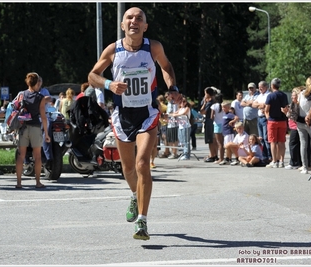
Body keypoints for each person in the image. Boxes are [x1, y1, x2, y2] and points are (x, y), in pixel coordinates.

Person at [87, 6, 178, 241]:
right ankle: (135, 195)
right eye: (129, 17)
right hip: (122, 115)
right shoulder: (113, 50)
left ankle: (142, 221)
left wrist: (172, 87)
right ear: (122, 25)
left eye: (139, 18)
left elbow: (166, 67)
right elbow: (92, 76)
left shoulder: (153, 47)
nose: (134, 21)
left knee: (141, 164)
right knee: (127, 168)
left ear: (145, 26)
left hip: (147, 113)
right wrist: (109, 85)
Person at [15, 72, 51, 188]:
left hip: (23, 128)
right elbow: (43, 117)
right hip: (35, 127)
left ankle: (19, 183)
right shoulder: (40, 97)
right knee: (38, 156)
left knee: (21, 156)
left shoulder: (22, 95)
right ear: (37, 83)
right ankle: (38, 182)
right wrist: (46, 133)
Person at [265, 78, 289, 168]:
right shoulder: (284, 95)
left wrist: (268, 118)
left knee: (273, 142)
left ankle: (275, 161)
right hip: (282, 120)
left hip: (272, 120)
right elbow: (286, 108)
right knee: (282, 141)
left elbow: (266, 110)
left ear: (272, 85)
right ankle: (282, 161)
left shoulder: (270, 96)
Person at [285, 87, 310, 170]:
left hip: (298, 126)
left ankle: (296, 163)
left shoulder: (299, 105)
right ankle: (300, 163)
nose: (292, 97)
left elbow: (296, 117)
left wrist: (287, 113)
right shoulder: (293, 104)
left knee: (294, 144)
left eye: (294, 96)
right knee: (298, 145)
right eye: (291, 96)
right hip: (294, 126)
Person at [296, 77, 311, 174]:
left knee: (303, 144)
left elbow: (298, 105)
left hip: (300, 120)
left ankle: (305, 167)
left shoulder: (301, 93)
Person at [252, 81, 271, 162]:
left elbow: (265, 105)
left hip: (264, 118)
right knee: (261, 139)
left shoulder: (268, 95)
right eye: (259, 86)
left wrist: (259, 105)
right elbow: (253, 104)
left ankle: (269, 156)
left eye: (261, 86)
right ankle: (264, 156)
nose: (260, 88)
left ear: (266, 87)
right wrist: (260, 105)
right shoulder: (259, 95)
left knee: (266, 138)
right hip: (259, 118)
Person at [200, 87, 217, 162]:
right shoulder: (214, 101)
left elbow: (202, 112)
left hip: (209, 121)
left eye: (205, 93)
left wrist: (204, 103)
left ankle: (212, 155)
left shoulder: (209, 102)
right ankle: (214, 154)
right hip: (211, 122)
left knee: (210, 140)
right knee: (213, 139)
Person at [171, 95, 191, 160]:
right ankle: (184, 153)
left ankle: (187, 154)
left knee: (186, 141)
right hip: (180, 126)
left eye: (184, 102)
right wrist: (169, 115)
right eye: (181, 102)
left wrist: (175, 115)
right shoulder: (180, 109)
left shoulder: (187, 108)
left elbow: (184, 113)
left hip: (186, 126)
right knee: (181, 140)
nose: (182, 103)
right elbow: (174, 113)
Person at [210, 93, 224, 164]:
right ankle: (223, 157)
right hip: (224, 124)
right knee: (222, 142)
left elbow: (211, 117)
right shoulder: (223, 105)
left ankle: (220, 158)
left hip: (217, 124)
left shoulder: (214, 106)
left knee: (219, 143)